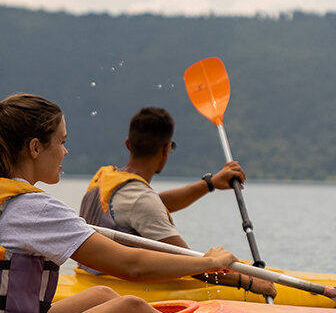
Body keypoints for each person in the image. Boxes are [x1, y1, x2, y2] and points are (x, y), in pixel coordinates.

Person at [0, 93, 239, 313]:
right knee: (131, 304)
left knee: (104, 294)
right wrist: (210, 262)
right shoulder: (33, 209)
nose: (65, 152)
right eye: (61, 141)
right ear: (34, 147)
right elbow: (130, 265)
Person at [79, 106, 276, 298]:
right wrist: (250, 282)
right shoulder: (142, 201)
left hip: (87, 281)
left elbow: (153, 205)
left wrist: (210, 184)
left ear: (128, 144)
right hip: (120, 292)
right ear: (166, 149)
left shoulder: (106, 178)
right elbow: (195, 266)